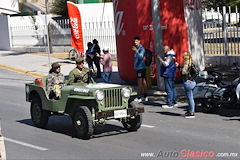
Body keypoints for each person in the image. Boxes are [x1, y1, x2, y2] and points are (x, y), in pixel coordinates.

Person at [176, 51, 196, 118]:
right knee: (188, 97)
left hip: (188, 83)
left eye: (183, 56)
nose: (182, 57)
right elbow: (183, 73)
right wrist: (178, 67)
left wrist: (190, 79)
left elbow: (196, 73)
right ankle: (190, 110)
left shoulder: (190, 65)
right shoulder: (185, 64)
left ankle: (192, 112)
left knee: (190, 98)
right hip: (187, 82)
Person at [132, 36, 148, 103]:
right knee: (143, 81)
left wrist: (136, 51)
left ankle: (139, 96)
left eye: (136, 41)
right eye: (134, 41)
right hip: (138, 67)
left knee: (140, 82)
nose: (135, 42)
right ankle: (145, 95)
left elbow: (141, 57)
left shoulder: (141, 49)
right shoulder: (138, 48)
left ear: (139, 41)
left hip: (141, 67)